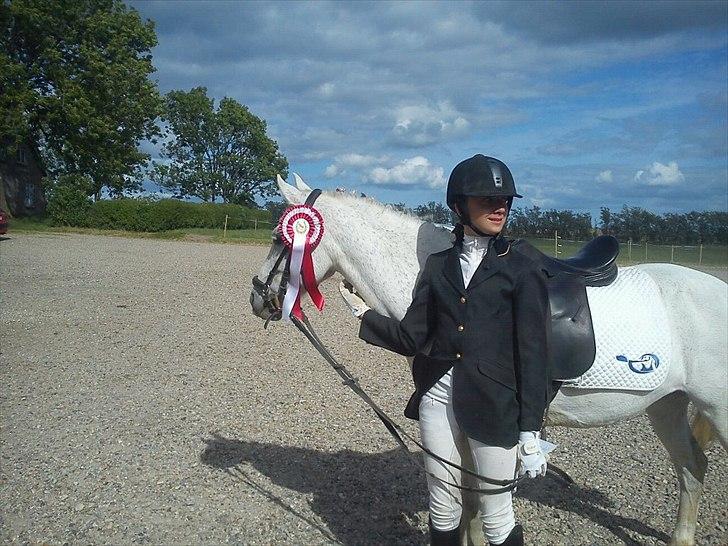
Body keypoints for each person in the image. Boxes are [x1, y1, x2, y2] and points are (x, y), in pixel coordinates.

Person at [339, 154, 552, 546]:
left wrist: (530, 430)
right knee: (441, 505)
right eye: (487, 200)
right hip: (437, 399)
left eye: (504, 200)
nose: (499, 206)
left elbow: (534, 356)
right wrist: (364, 313)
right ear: (459, 206)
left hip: (495, 406)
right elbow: (412, 337)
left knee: (496, 516)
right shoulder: (438, 266)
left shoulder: (523, 268)